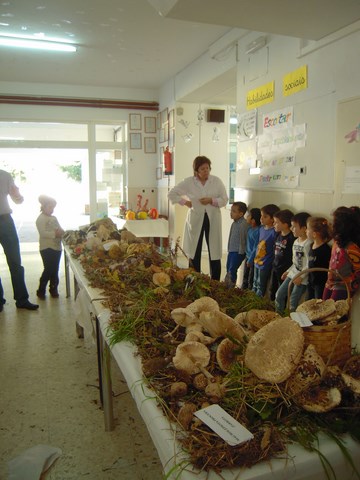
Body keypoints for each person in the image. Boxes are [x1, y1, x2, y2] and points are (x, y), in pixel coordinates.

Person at [168, 155, 228, 280]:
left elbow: (224, 199)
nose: (206, 171)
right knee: (195, 248)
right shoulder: (189, 182)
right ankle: (195, 279)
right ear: (196, 171)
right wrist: (185, 202)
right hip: (196, 218)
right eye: (202, 169)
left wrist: (211, 200)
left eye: (207, 168)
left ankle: (215, 281)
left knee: (214, 250)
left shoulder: (216, 181)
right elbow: (172, 194)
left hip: (213, 218)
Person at [0, 169, 39, 311]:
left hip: (5, 221)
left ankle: (22, 299)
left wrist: (17, 194)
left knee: (15, 262)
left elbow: (18, 201)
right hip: (5, 222)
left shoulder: (4, 175)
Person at [275, 212, 311, 313]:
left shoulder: (308, 244)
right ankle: (279, 318)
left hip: (302, 278)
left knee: (293, 302)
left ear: (304, 228)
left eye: (294, 227)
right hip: (293, 274)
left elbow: (309, 264)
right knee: (279, 295)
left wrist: (301, 276)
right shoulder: (295, 242)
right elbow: (294, 262)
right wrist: (288, 271)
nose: (291, 229)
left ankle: (291, 322)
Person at [323, 206, 360, 301]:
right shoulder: (336, 242)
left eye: (333, 222)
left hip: (343, 287)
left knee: (336, 313)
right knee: (323, 307)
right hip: (330, 283)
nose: (330, 224)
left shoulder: (351, 248)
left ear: (341, 226)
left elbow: (358, 271)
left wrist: (346, 282)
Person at [36, 195, 65, 299]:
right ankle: (41, 290)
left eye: (53, 207)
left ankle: (53, 289)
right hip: (46, 248)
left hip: (57, 247)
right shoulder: (40, 219)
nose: (52, 209)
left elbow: (60, 228)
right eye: (49, 207)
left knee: (55, 269)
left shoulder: (54, 218)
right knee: (48, 269)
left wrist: (62, 232)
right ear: (43, 206)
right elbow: (43, 233)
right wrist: (55, 234)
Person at [252, 203, 279, 297]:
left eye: (265, 216)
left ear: (272, 219)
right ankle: (250, 300)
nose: (261, 218)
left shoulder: (274, 232)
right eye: (261, 216)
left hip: (265, 263)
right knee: (254, 282)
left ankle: (257, 302)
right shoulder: (261, 229)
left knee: (260, 285)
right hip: (257, 261)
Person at [269, 209, 295, 301]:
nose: (274, 224)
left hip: (285, 270)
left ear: (285, 224)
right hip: (275, 267)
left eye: (276, 222)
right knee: (272, 290)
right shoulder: (278, 235)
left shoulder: (291, 238)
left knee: (282, 294)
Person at [224, 201, 249, 287]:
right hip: (231, 250)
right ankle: (227, 286)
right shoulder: (234, 223)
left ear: (241, 214)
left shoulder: (243, 224)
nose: (231, 213)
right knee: (228, 268)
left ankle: (230, 288)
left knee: (232, 270)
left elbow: (244, 239)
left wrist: (242, 252)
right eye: (231, 210)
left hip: (238, 252)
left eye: (234, 211)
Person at [306, 216, 332, 299]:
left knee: (318, 304)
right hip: (311, 281)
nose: (306, 231)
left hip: (320, 284)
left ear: (314, 234)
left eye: (307, 229)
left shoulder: (325, 249)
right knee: (309, 303)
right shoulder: (311, 245)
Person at [241, 207, 261, 290]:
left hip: (253, 259)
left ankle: (248, 294)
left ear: (253, 220)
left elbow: (256, 247)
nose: (247, 217)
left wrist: (250, 259)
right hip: (248, 256)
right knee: (245, 277)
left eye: (249, 215)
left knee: (251, 278)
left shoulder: (258, 231)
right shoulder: (250, 228)